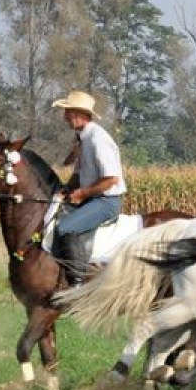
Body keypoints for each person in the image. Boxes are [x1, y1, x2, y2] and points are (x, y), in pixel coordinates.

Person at [51, 90, 127, 287]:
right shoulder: (83, 138)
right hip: (93, 199)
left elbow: (111, 179)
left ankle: (77, 283)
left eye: (68, 112)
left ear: (79, 114)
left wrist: (83, 193)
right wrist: (67, 188)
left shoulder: (97, 139)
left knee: (65, 228)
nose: (65, 117)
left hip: (106, 202)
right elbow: (79, 174)